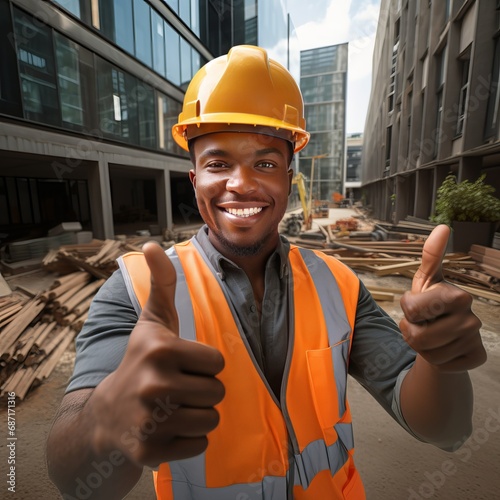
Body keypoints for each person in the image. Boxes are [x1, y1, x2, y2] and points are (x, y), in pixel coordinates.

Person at [46, 45, 487, 500]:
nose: (241, 183)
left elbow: (443, 429)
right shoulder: (137, 290)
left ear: (287, 177)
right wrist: (104, 422)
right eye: (218, 163)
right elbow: (76, 482)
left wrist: (441, 363)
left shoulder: (339, 285)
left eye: (265, 163)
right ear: (194, 178)